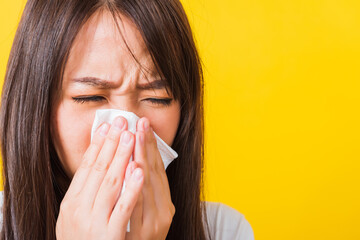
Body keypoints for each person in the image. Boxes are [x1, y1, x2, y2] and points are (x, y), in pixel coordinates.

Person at [0, 0, 254, 239]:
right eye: (90, 97)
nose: (126, 134)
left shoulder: (225, 230)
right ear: (36, 108)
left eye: (157, 98)